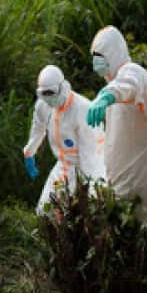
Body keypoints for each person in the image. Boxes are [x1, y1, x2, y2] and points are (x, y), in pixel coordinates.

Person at [85, 25, 147, 216]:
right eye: (94, 57)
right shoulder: (113, 85)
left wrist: (105, 97)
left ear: (113, 54)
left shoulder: (134, 73)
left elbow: (128, 85)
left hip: (141, 176)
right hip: (124, 178)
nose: (96, 63)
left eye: (100, 57)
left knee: (137, 228)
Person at [22, 65, 105, 214]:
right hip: (64, 165)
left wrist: (88, 186)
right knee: (44, 212)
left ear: (62, 87)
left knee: (85, 213)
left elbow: (91, 153)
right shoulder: (43, 106)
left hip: (88, 166)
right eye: (44, 94)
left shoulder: (82, 109)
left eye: (52, 93)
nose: (50, 98)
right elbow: (38, 129)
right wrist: (29, 152)